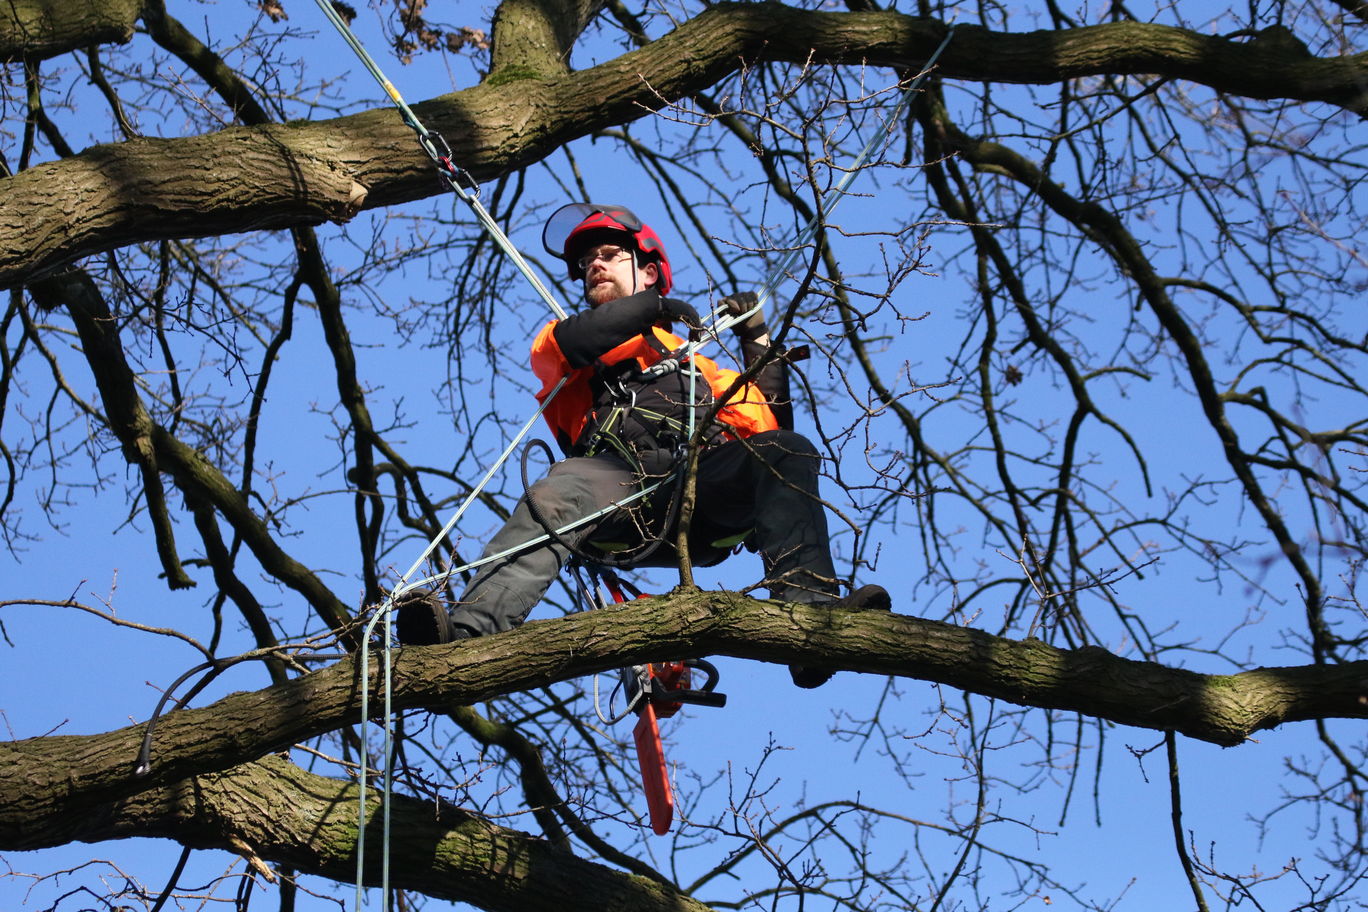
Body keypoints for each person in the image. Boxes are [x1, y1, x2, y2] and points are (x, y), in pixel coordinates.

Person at [397, 203, 888, 687]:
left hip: (704, 491)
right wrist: (655, 308)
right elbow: (579, 340)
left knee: (787, 450)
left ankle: (812, 624)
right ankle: (466, 639)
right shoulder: (571, 344)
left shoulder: (704, 370)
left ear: (650, 269)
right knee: (560, 487)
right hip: (619, 489)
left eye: (610, 254)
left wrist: (756, 340)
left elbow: (772, 434)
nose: (595, 264)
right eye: (588, 261)